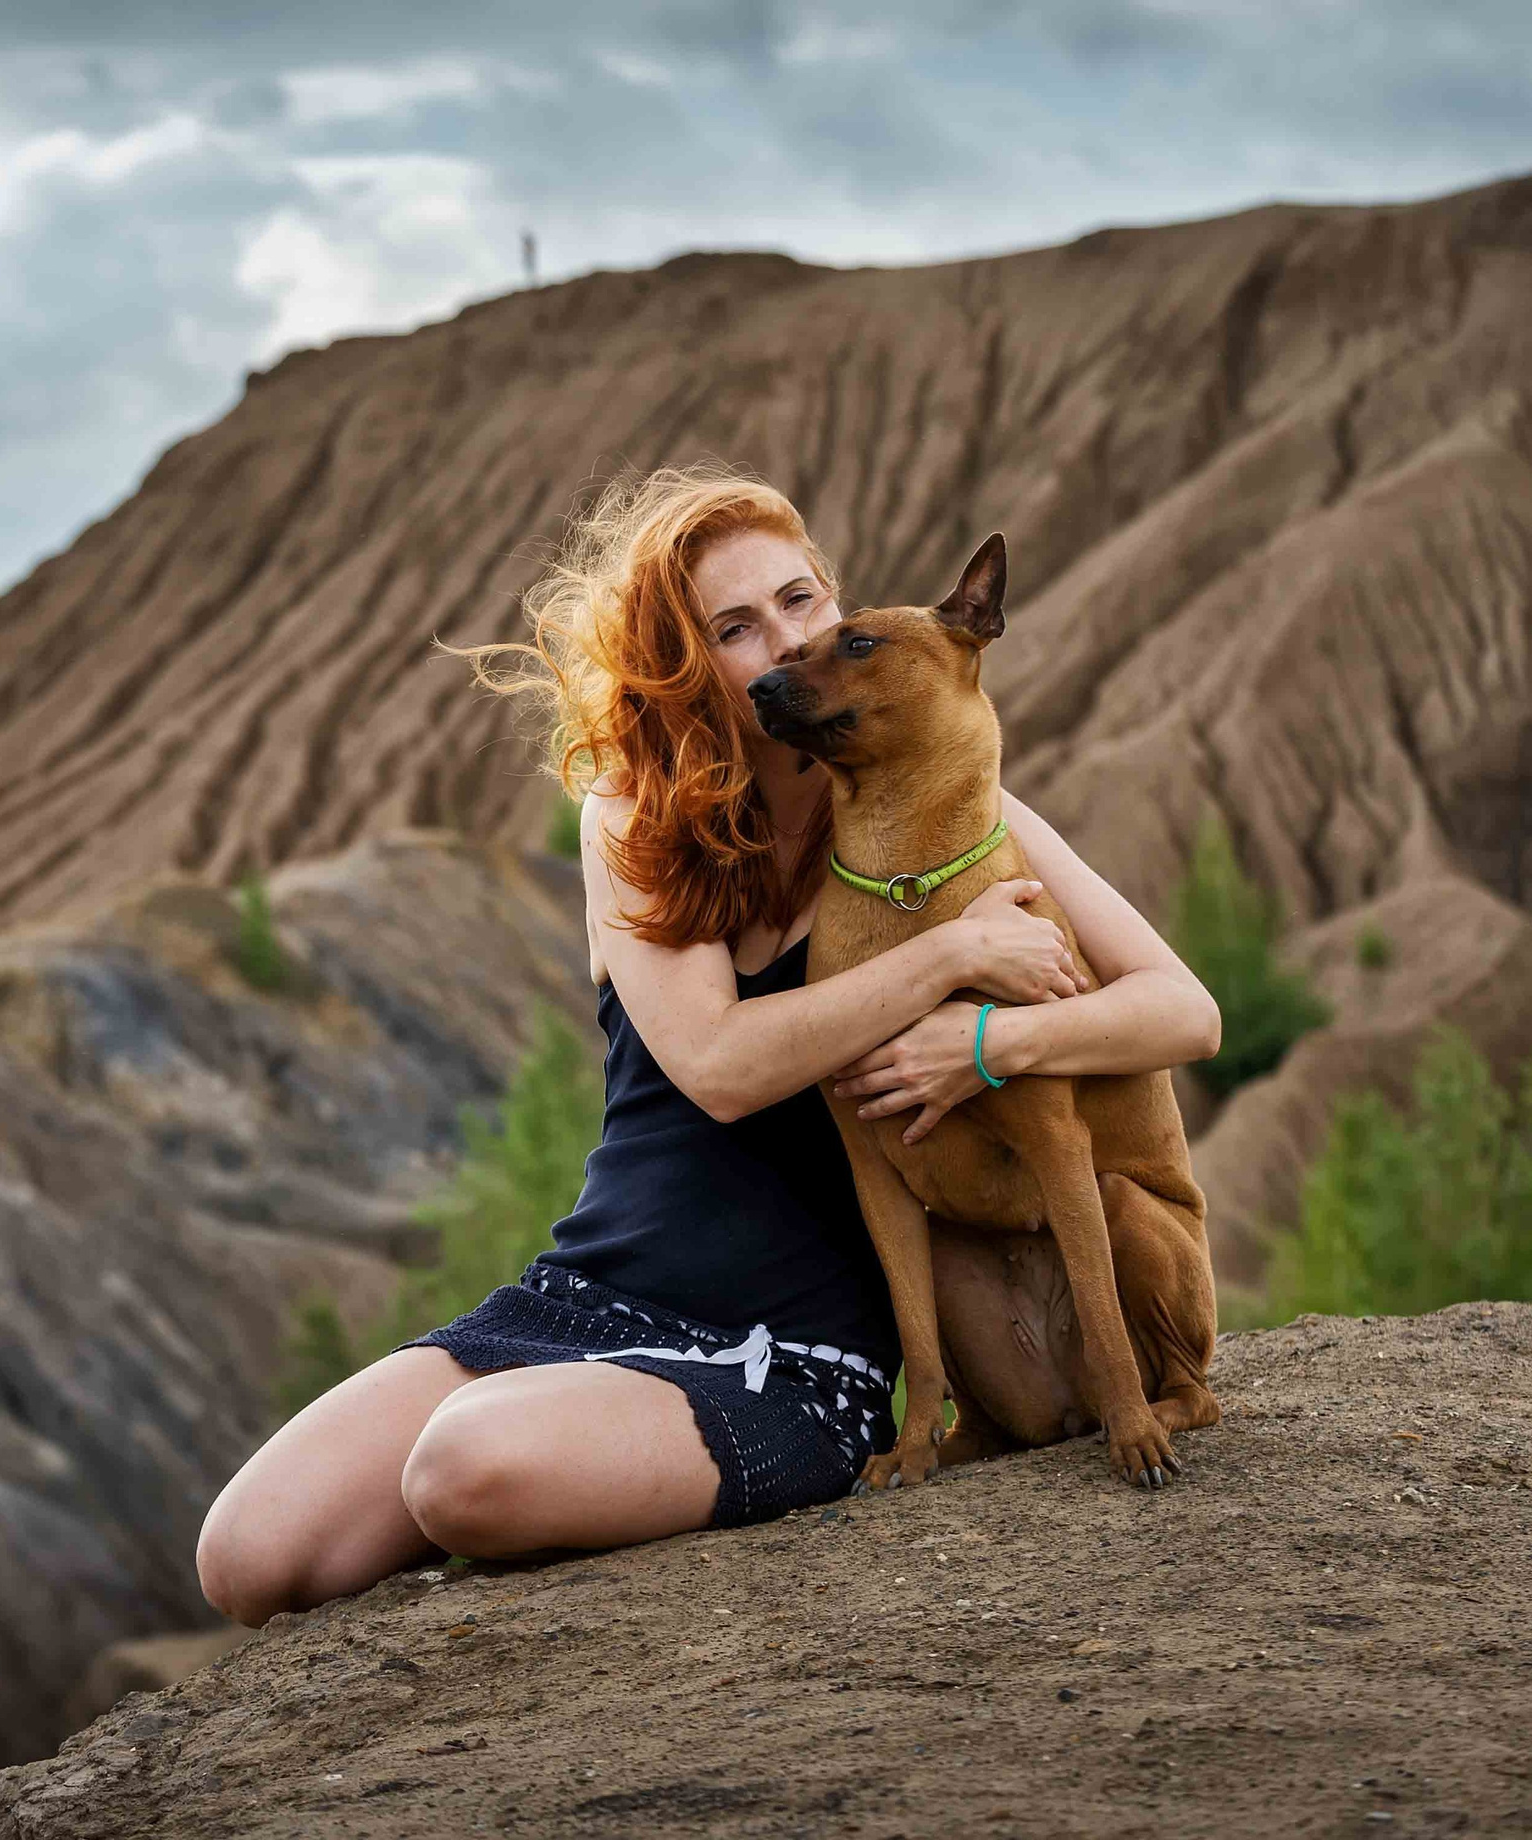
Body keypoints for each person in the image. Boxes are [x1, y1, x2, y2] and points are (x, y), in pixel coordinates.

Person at [195, 464, 1222, 1628]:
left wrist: (986, 1041)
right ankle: (569, 1444)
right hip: (595, 1295)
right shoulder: (634, 814)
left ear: (836, 602)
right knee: (248, 1556)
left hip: (788, 1351)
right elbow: (722, 1067)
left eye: (798, 602)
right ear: (689, 664)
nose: (783, 641)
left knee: (461, 1471)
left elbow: (1183, 1012)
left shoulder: (956, 812)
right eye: (735, 628)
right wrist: (944, 960)